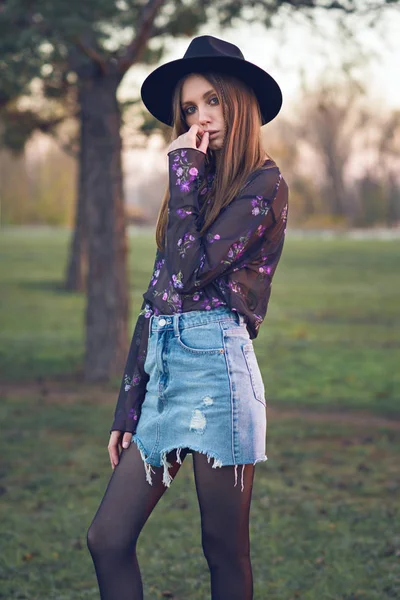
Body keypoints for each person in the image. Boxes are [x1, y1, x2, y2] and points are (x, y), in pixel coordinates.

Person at [87, 34, 289, 600]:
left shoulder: (264, 184)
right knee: (107, 538)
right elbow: (158, 296)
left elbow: (189, 270)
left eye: (213, 102)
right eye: (190, 109)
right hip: (166, 374)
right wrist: (129, 404)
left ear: (241, 102)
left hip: (219, 373)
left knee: (224, 553)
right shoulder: (193, 185)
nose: (201, 118)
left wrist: (182, 172)